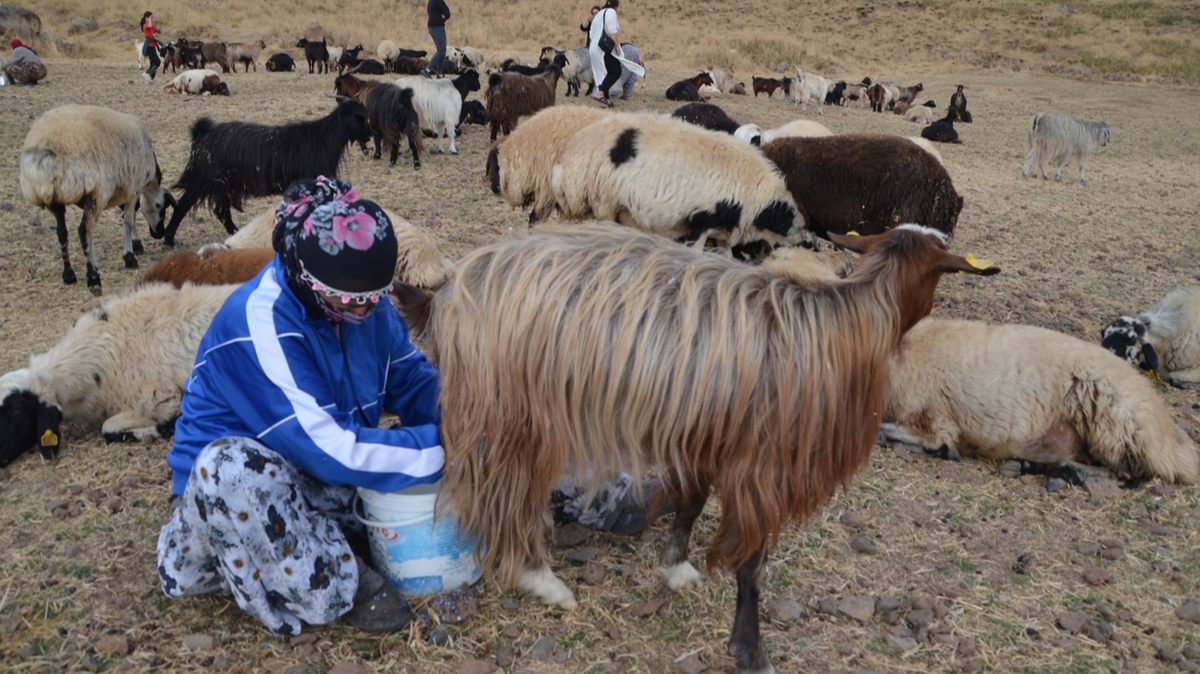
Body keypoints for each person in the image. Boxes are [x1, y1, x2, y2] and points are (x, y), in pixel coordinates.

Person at [156, 177, 444, 637]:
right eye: (350, 302)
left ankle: (327, 542)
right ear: (304, 278)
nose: (366, 313)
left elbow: (411, 379)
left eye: (374, 298)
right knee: (228, 469)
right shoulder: (260, 321)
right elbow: (329, 448)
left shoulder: (365, 306)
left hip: (314, 475)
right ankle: (337, 585)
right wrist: (449, 448)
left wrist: (463, 419)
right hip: (234, 503)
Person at [588, 0, 622, 107]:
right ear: (616, 6)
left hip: (594, 47)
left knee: (603, 73)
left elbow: (591, 34)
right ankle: (600, 93)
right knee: (616, 71)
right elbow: (612, 31)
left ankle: (605, 101)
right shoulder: (611, 12)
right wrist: (617, 45)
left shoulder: (599, 14)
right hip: (603, 48)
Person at [423, 0, 451, 78]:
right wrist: (443, 17)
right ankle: (428, 69)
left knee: (442, 50)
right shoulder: (438, 1)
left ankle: (440, 73)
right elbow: (447, 13)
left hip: (431, 27)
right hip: (437, 27)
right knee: (441, 51)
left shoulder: (430, 1)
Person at [140, 11, 161, 83]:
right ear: (146, 18)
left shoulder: (152, 27)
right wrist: (149, 21)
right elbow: (150, 26)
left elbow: (158, 32)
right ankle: (147, 73)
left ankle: (151, 78)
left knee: (153, 63)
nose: (152, 19)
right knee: (157, 61)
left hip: (153, 46)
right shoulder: (145, 25)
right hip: (149, 46)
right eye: (151, 17)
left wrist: (158, 29)